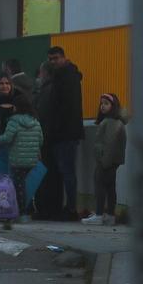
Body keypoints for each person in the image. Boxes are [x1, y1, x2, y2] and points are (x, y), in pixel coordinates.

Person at [37, 46, 84, 221]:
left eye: (56, 58)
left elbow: (64, 108)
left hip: (64, 134)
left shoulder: (66, 77)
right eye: (51, 59)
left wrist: (53, 129)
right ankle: (65, 208)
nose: (53, 62)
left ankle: (71, 208)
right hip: (62, 133)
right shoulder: (64, 76)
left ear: (64, 57)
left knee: (66, 172)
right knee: (63, 172)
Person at [0, 95, 43, 222]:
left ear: (16, 107)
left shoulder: (13, 121)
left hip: (17, 160)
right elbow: (41, 140)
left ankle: (21, 212)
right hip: (32, 160)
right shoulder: (36, 122)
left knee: (18, 186)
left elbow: (7, 138)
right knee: (25, 185)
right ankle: (27, 210)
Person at [82, 93, 126, 226]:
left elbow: (109, 143)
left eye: (106, 103)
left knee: (100, 185)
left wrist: (104, 162)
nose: (102, 106)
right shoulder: (113, 121)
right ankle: (110, 215)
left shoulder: (111, 122)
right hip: (112, 160)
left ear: (113, 106)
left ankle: (99, 214)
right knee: (110, 187)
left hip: (106, 161)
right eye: (101, 103)